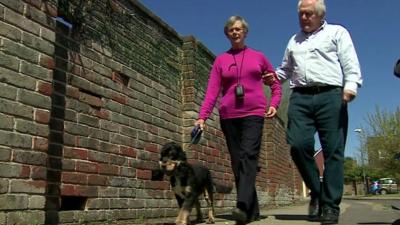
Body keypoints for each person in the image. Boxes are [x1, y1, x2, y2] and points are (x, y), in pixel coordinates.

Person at [264, 0, 362, 224]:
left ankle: (330, 206)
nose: (304, 18)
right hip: (300, 97)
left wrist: (350, 87)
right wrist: (273, 77)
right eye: (301, 14)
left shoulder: (337, 32)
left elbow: (350, 62)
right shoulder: (294, 40)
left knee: (333, 151)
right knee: (298, 145)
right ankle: (317, 192)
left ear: (320, 15)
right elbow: (286, 69)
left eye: (308, 14)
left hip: (331, 95)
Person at [195, 15, 282, 224]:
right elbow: (212, 92)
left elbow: (276, 85)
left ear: (245, 32)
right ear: (227, 34)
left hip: (254, 113)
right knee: (237, 164)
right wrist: (201, 118)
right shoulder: (221, 60)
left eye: (238, 29)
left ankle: (241, 206)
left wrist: (274, 104)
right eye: (231, 30)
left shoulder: (259, 57)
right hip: (229, 116)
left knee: (248, 157)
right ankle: (253, 210)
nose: (235, 32)